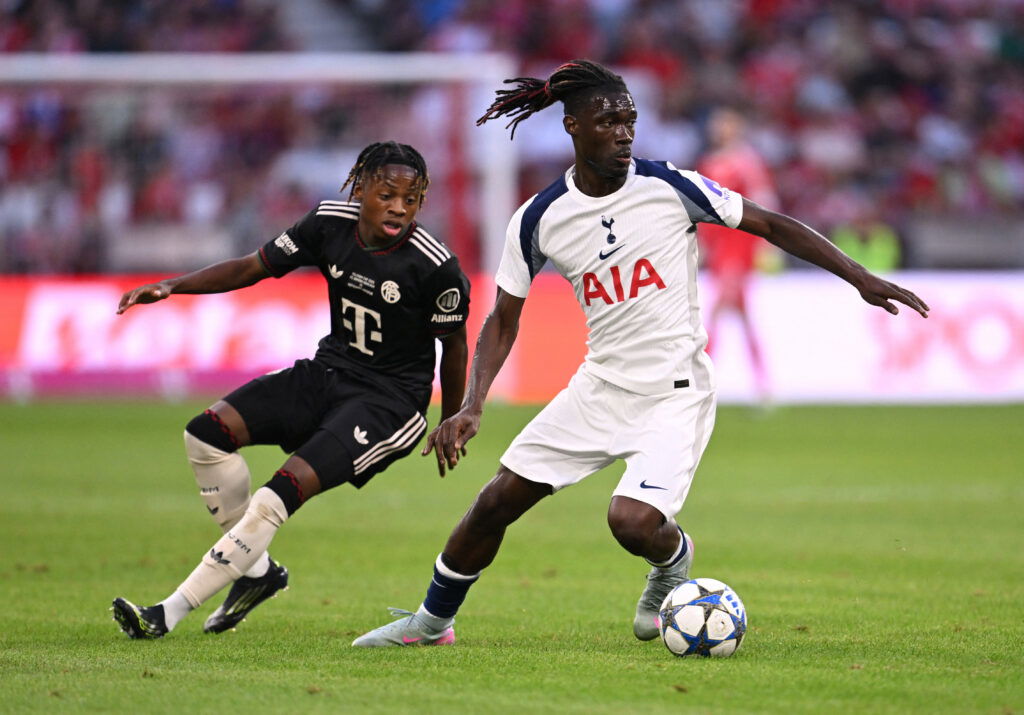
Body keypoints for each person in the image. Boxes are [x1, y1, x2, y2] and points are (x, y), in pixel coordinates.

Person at [351, 60, 929, 648]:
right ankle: (430, 624)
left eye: (630, 120)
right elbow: (503, 317)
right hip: (599, 387)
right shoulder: (538, 218)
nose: (625, 132)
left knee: (630, 521)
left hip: (674, 392)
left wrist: (859, 276)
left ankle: (673, 560)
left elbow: (771, 225)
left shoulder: (671, 187)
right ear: (573, 127)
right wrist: (472, 404)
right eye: (609, 121)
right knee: (496, 500)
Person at [110, 141, 471, 639]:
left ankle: (167, 612)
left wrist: (452, 416)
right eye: (388, 194)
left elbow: (454, 346)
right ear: (361, 186)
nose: (399, 208)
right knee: (205, 435)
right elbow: (251, 266)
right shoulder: (327, 223)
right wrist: (175, 285)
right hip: (328, 373)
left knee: (277, 493)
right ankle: (258, 574)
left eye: (411, 201)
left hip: (389, 404)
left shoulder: (434, 266)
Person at [697, 106, 779, 403]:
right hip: (720, 248)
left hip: (739, 245)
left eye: (725, 125)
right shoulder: (709, 163)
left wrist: (765, 243)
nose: (720, 130)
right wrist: (702, 244)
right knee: (741, 316)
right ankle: (763, 384)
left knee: (718, 311)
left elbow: (763, 199)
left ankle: (702, 386)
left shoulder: (746, 162)